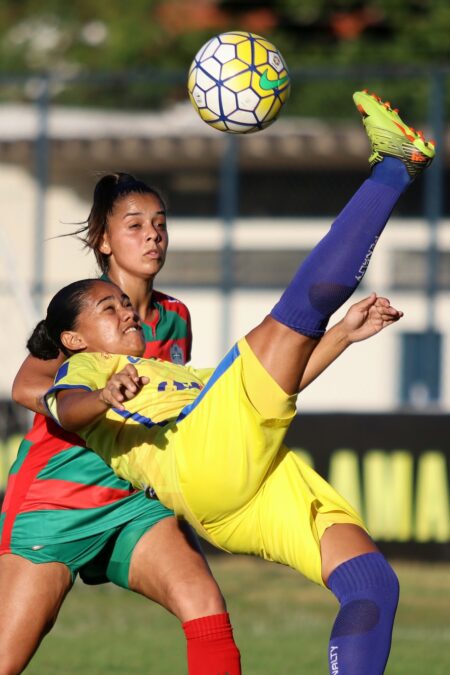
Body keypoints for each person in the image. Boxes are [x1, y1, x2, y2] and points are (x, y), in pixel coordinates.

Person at [34, 90, 434, 675]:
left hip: (253, 488)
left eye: (122, 303)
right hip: (203, 463)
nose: (123, 312)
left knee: (373, 583)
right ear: (73, 336)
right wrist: (98, 398)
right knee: (300, 308)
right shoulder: (88, 368)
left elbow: (276, 387)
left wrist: (342, 338)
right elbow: (60, 407)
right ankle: (396, 167)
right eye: (105, 308)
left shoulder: (170, 367)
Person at [1, 173, 241, 675]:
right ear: (103, 241)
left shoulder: (176, 316)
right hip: (55, 505)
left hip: (133, 505)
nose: (153, 235)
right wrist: (98, 398)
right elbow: (27, 387)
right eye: (135, 226)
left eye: (159, 224)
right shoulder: (85, 313)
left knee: (206, 607)